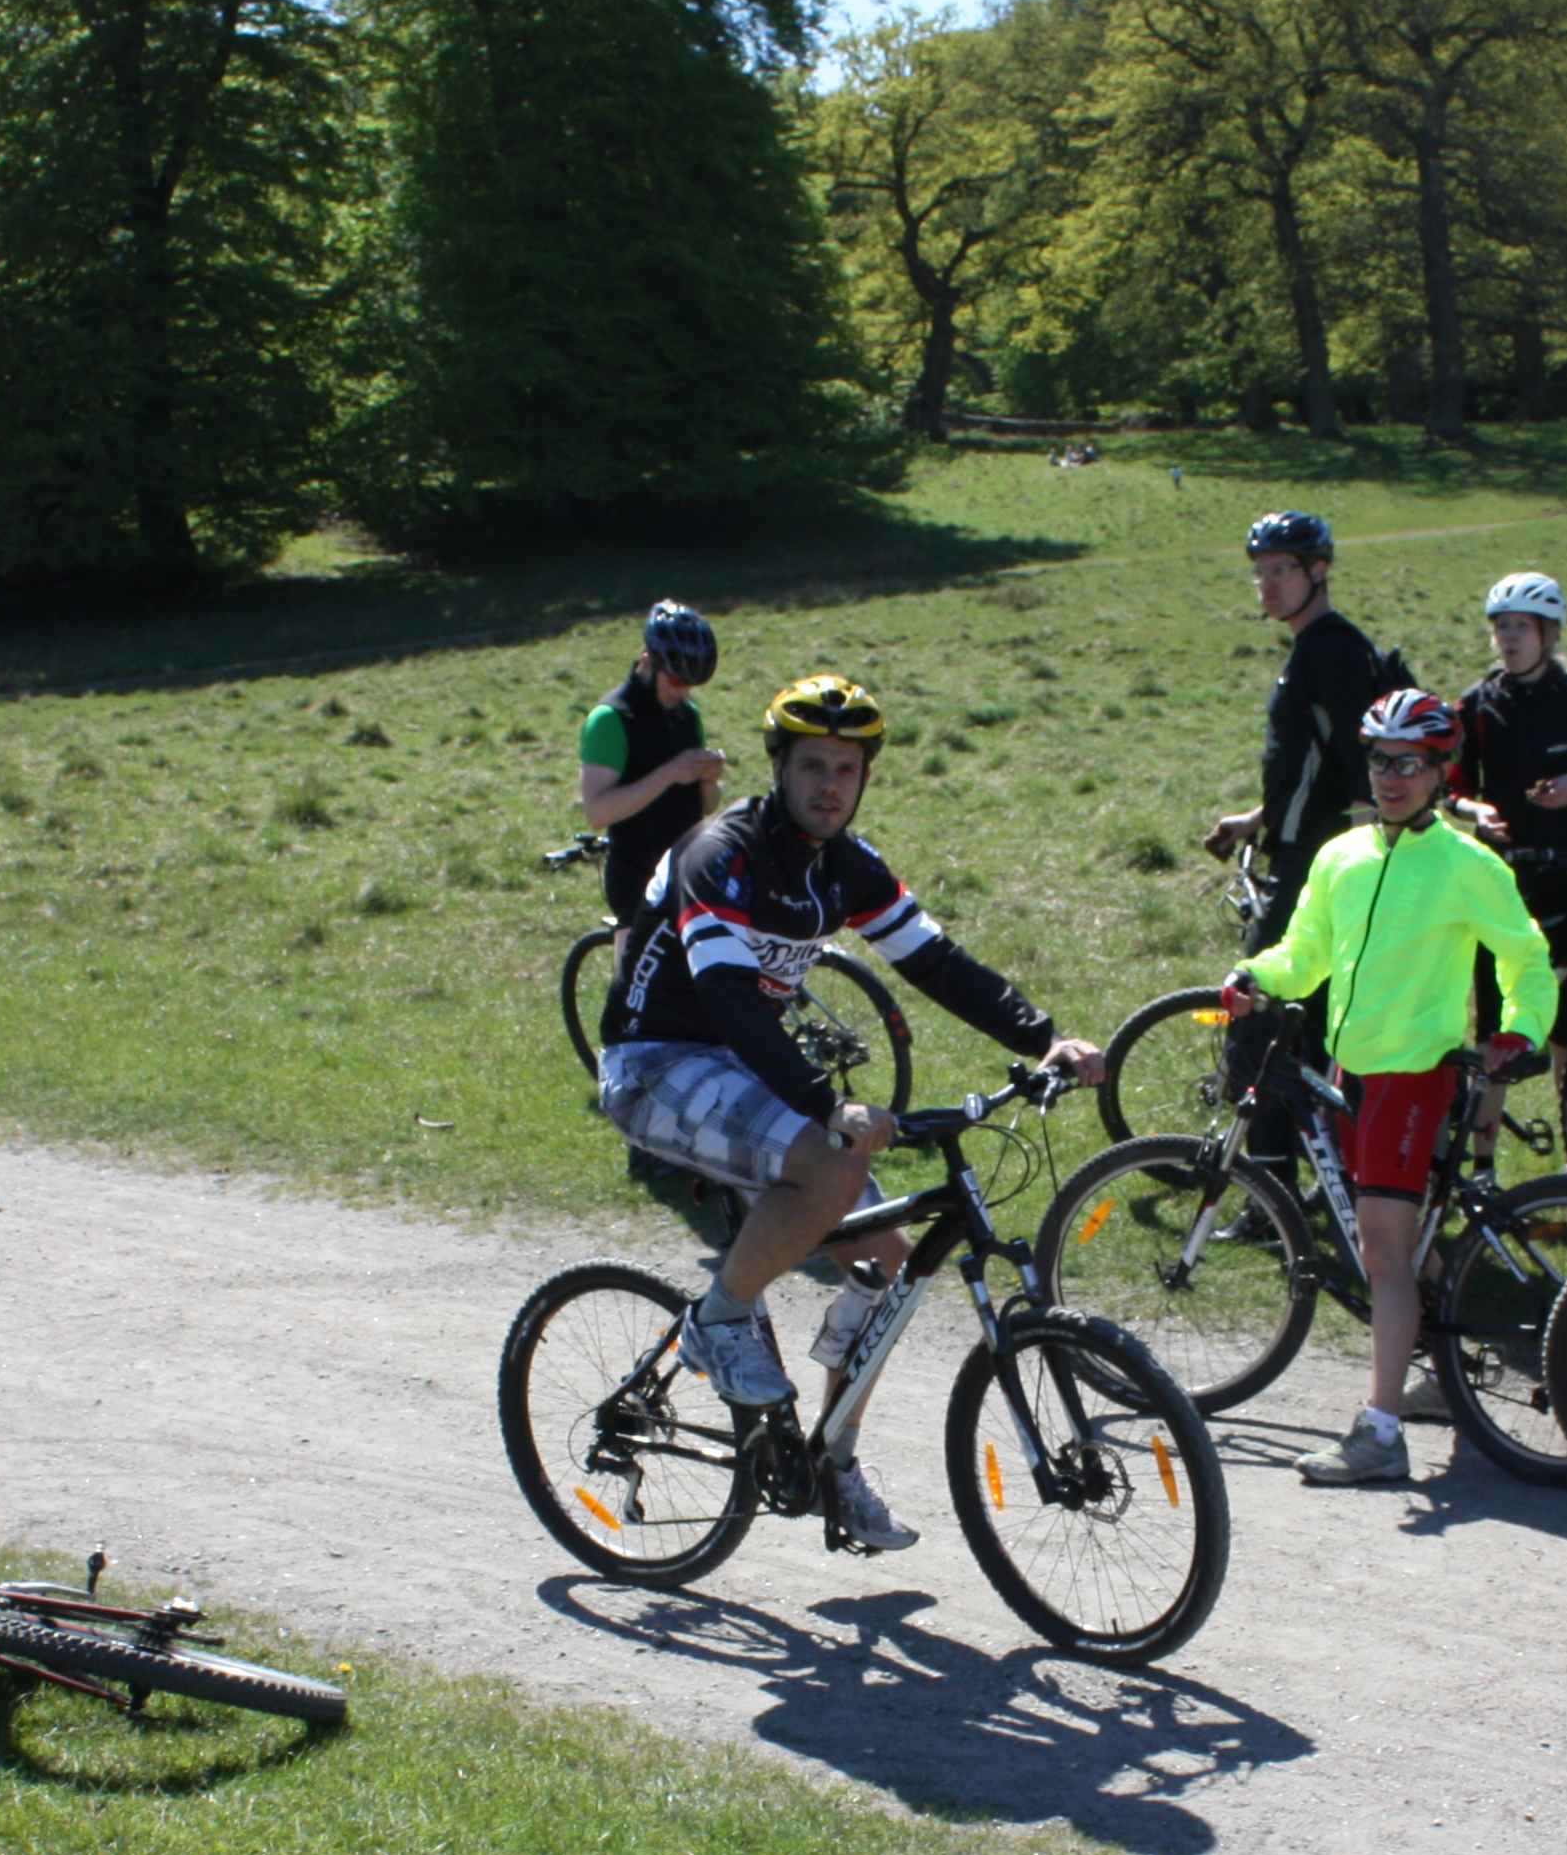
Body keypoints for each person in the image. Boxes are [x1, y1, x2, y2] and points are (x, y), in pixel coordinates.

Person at [591, 673, 1110, 1552]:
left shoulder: (846, 868)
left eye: (846, 768)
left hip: (738, 1065)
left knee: (890, 1274)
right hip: (657, 1063)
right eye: (812, 766)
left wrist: (1044, 1039)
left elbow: (939, 964)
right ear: (780, 769)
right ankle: (720, 1322)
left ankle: (834, 1465)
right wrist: (826, 1105)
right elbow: (726, 995)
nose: (829, 785)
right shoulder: (721, 854)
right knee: (831, 1164)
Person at [1219, 689, 1556, 1488]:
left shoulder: (1469, 865)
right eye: (1380, 760)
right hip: (1351, 1070)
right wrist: (1255, 976)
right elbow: (1306, 955)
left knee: (1382, 1252)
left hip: (1416, 1075)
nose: (1392, 776)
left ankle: (1379, 1434)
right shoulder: (1342, 855)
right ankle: (1444, 1372)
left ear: (1442, 773)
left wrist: (1519, 1030)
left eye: (1411, 763)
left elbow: (1528, 959)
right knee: (1403, 1247)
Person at [1203, 510, 1388, 1163]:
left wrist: (1360, 864)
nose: (1267, 584)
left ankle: (1270, 1187)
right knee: (1306, 1028)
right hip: (1305, 852)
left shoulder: (1333, 651)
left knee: (1257, 1014)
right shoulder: (1316, 648)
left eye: (1280, 570)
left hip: (1317, 870)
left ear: (1319, 570)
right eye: (1259, 572)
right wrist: (1257, 818)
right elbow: (1314, 769)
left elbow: (1359, 763)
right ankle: (1316, 1171)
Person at [1447, 571, 1567, 1054]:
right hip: (1501, 878)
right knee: (1495, 1025)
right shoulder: (1475, 704)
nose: (1509, 638)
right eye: (1502, 627)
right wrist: (1478, 811)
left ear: (1548, 634)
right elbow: (1452, 788)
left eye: (1521, 627)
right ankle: (1486, 1128)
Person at [577, 601, 726, 921]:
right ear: (648, 661)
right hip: (636, 879)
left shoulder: (687, 715)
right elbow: (597, 812)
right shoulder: (610, 719)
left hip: (686, 870)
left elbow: (706, 806)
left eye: (692, 685)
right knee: (639, 970)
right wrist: (670, 773)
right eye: (676, 682)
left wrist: (708, 781)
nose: (683, 693)